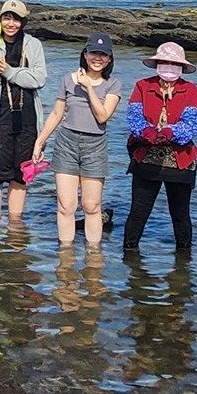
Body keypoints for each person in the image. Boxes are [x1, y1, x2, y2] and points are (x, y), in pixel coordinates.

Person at [32, 33, 124, 250]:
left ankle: (94, 257)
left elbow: (102, 116)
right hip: (66, 143)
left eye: (103, 54)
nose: (98, 58)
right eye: (94, 52)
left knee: (91, 206)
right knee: (66, 206)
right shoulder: (67, 79)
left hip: (95, 145)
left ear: (110, 59)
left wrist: (89, 87)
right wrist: (40, 141)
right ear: (85, 54)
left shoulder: (113, 85)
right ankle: (66, 256)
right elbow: (56, 114)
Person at [123, 42, 197, 254]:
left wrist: (170, 133)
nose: (169, 67)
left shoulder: (191, 90)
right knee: (138, 213)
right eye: (164, 63)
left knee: (180, 215)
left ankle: (184, 264)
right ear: (157, 64)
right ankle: (130, 259)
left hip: (181, 161)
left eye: (173, 63)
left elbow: (192, 122)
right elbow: (134, 116)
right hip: (145, 157)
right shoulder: (142, 86)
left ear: (182, 67)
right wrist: (146, 132)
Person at [0, 0, 47, 223]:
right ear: (0, 20)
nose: (11, 23)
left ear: (23, 22)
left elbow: (38, 79)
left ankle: (16, 228)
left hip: (27, 122)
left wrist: (7, 70)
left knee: (20, 176)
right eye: (7, 18)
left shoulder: (33, 45)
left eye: (16, 19)